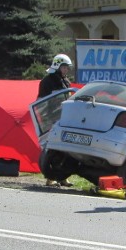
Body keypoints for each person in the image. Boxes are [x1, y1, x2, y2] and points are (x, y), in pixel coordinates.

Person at [38, 53, 74, 186]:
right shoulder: (47, 81)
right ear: (57, 66)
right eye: (64, 67)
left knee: (64, 149)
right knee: (53, 149)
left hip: (63, 118)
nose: (66, 70)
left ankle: (63, 177)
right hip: (51, 119)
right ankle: (50, 178)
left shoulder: (66, 82)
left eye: (67, 68)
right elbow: (42, 102)